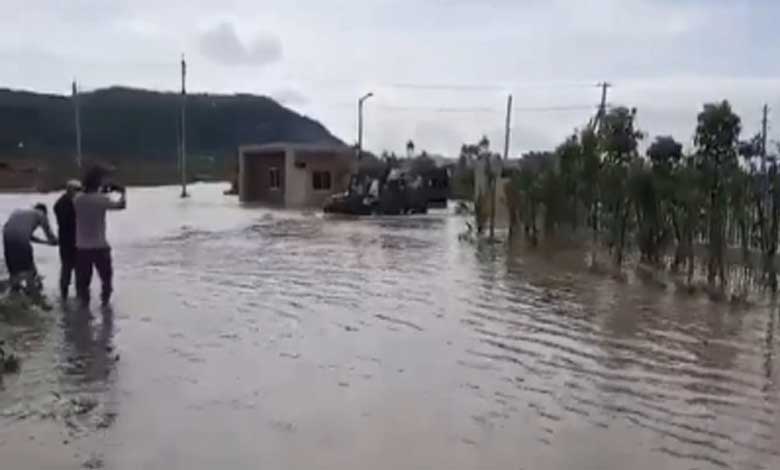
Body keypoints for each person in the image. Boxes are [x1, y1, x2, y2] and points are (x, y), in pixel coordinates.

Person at [74, 167, 126, 306]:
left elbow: (89, 198)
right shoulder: (102, 199)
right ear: (98, 183)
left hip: (82, 248)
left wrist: (102, 191)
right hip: (100, 246)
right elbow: (121, 206)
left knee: (83, 282)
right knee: (106, 280)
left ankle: (84, 311)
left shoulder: (77, 200)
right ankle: (105, 306)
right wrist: (123, 192)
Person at [2, 203, 58, 293]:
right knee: (29, 269)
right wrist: (56, 242)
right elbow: (50, 235)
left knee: (14, 269)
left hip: (6, 236)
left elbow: (28, 236)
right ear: (44, 211)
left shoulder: (19, 212)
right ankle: (31, 291)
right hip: (20, 238)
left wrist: (45, 243)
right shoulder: (41, 214)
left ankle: (14, 289)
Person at [54, 180, 82, 299]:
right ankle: (69, 294)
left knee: (71, 269)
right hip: (70, 240)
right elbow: (69, 221)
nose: (79, 192)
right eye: (77, 190)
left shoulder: (61, 203)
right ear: (70, 189)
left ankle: (69, 297)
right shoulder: (63, 204)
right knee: (68, 269)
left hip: (70, 240)